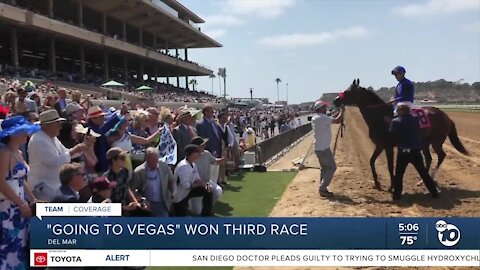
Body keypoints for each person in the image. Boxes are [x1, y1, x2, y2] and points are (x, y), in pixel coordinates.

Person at [0, 115, 39, 270]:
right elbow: (1, 182)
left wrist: (33, 199)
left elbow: (22, 181)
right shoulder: (4, 153)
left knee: (20, 242)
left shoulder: (19, 153)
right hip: (8, 206)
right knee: (8, 242)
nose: (26, 134)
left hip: (18, 204)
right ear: (13, 134)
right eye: (23, 131)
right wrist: (22, 203)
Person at [28, 110, 87, 201]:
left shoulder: (53, 137)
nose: (60, 127)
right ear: (47, 125)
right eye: (57, 124)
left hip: (54, 184)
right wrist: (74, 150)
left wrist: (80, 148)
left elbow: (65, 153)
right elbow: (54, 161)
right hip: (43, 186)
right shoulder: (38, 140)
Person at [389, 103, 439, 201]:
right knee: (423, 173)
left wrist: (389, 122)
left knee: (399, 174)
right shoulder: (416, 120)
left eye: (398, 110)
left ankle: (397, 195)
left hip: (403, 152)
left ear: (402, 111)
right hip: (415, 151)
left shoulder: (395, 121)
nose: (397, 112)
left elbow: (392, 135)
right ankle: (434, 192)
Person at [312, 100, 344, 197]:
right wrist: (343, 111)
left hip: (318, 147)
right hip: (324, 148)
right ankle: (322, 187)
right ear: (321, 108)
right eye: (324, 107)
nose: (325, 109)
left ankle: (322, 188)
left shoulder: (317, 117)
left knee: (324, 168)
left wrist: (339, 111)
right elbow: (338, 120)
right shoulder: (322, 118)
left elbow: (332, 118)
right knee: (332, 167)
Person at [130, 147, 176, 217]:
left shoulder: (164, 167)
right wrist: (139, 199)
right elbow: (132, 189)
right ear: (146, 159)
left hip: (161, 203)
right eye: (152, 160)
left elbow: (172, 181)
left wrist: (174, 192)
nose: (155, 162)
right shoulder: (139, 171)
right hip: (146, 204)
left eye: (156, 160)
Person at [173, 144, 213, 217]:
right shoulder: (183, 166)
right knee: (180, 216)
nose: (198, 154)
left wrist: (205, 185)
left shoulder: (193, 164)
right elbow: (186, 185)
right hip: (179, 195)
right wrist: (199, 184)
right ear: (190, 154)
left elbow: (197, 178)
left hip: (189, 191)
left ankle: (206, 216)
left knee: (208, 190)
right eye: (196, 152)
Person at [190, 137, 223, 212]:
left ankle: (207, 208)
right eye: (202, 145)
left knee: (218, 191)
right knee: (197, 212)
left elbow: (215, 161)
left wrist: (222, 160)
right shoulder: (191, 157)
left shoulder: (206, 153)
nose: (204, 147)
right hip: (195, 184)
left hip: (207, 181)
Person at [103, 147, 139, 212]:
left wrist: (135, 203)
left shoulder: (125, 172)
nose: (125, 159)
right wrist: (125, 208)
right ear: (113, 160)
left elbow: (127, 189)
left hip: (125, 208)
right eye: (122, 158)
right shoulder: (106, 177)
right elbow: (107, 201)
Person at [87, 105, 120, 173]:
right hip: (98, 168)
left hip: (103, 166)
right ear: (93, 119)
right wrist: (117, 116)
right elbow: (101, 131)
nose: (103, 118)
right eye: (101, 117)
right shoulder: (91, 131)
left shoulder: (97, 129)